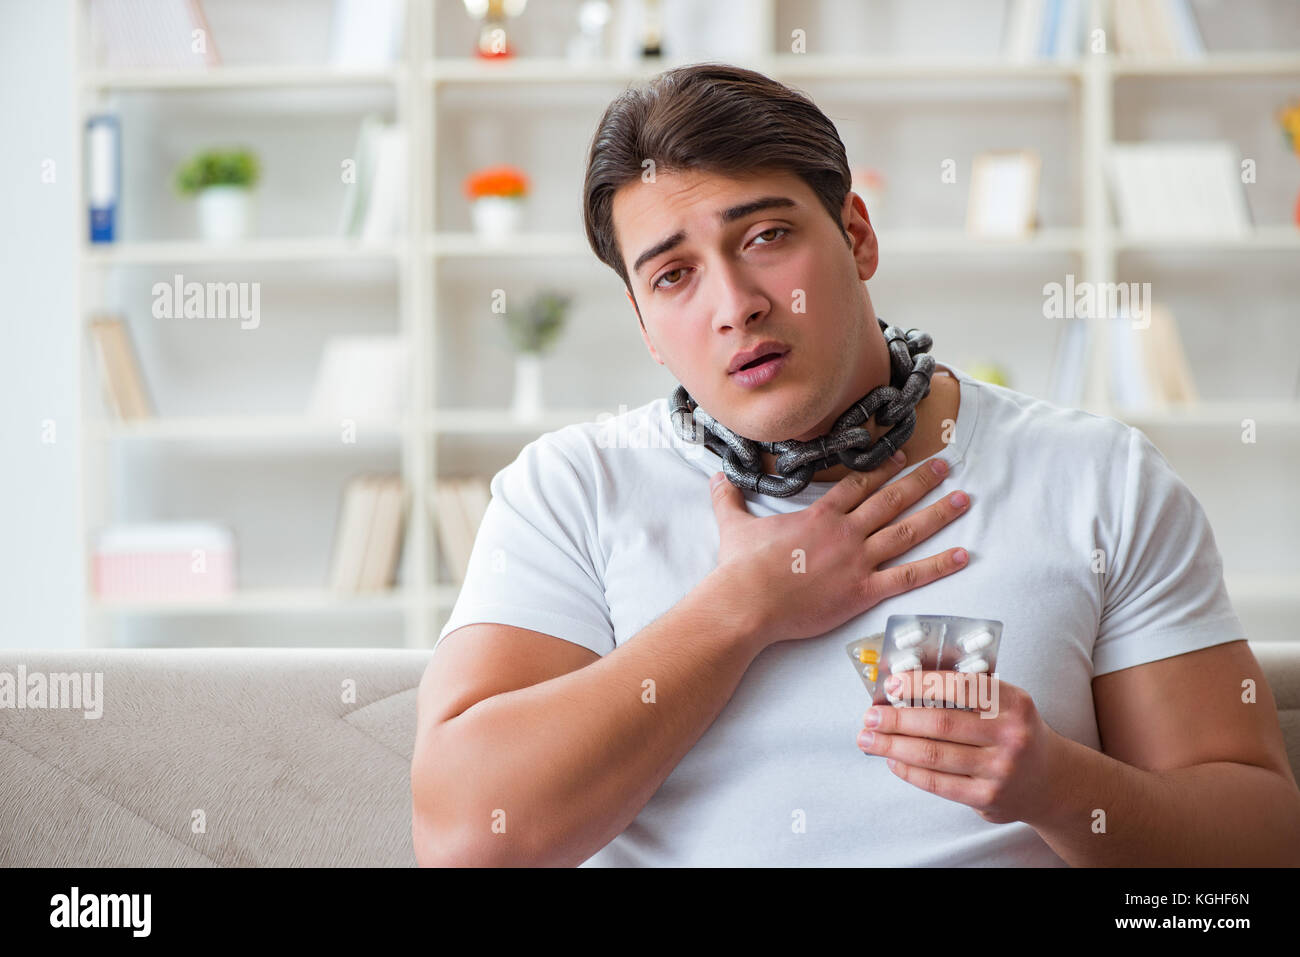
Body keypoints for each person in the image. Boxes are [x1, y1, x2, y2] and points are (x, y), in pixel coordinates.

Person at [411, 64, 1300, 867]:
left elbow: (1256, 849)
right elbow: (463, 838)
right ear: (645, 327)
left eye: (763, 236)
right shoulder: (568, 489)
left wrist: (1061, 785)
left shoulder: (1099, 476)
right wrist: (744, 609)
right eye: (673, 275)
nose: (737, 304)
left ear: (858, 237)